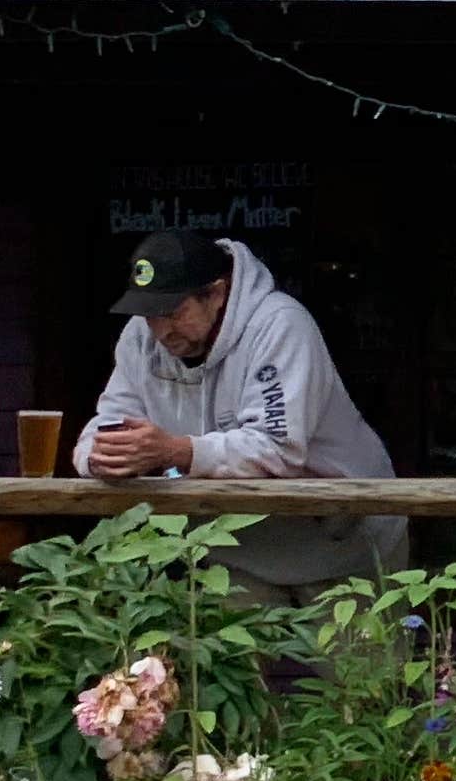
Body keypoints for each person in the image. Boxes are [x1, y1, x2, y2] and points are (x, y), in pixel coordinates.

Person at [80, 228, 405, 585]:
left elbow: (278, 449)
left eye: (173, 312)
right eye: (149, 313)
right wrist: (100, 459)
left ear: (217, 293)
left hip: (344, 547)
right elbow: (106, 424)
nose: (160, 330)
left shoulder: (280, 324)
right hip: (232, 554)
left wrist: (175, 451)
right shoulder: (139, 338)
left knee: (359, 644)